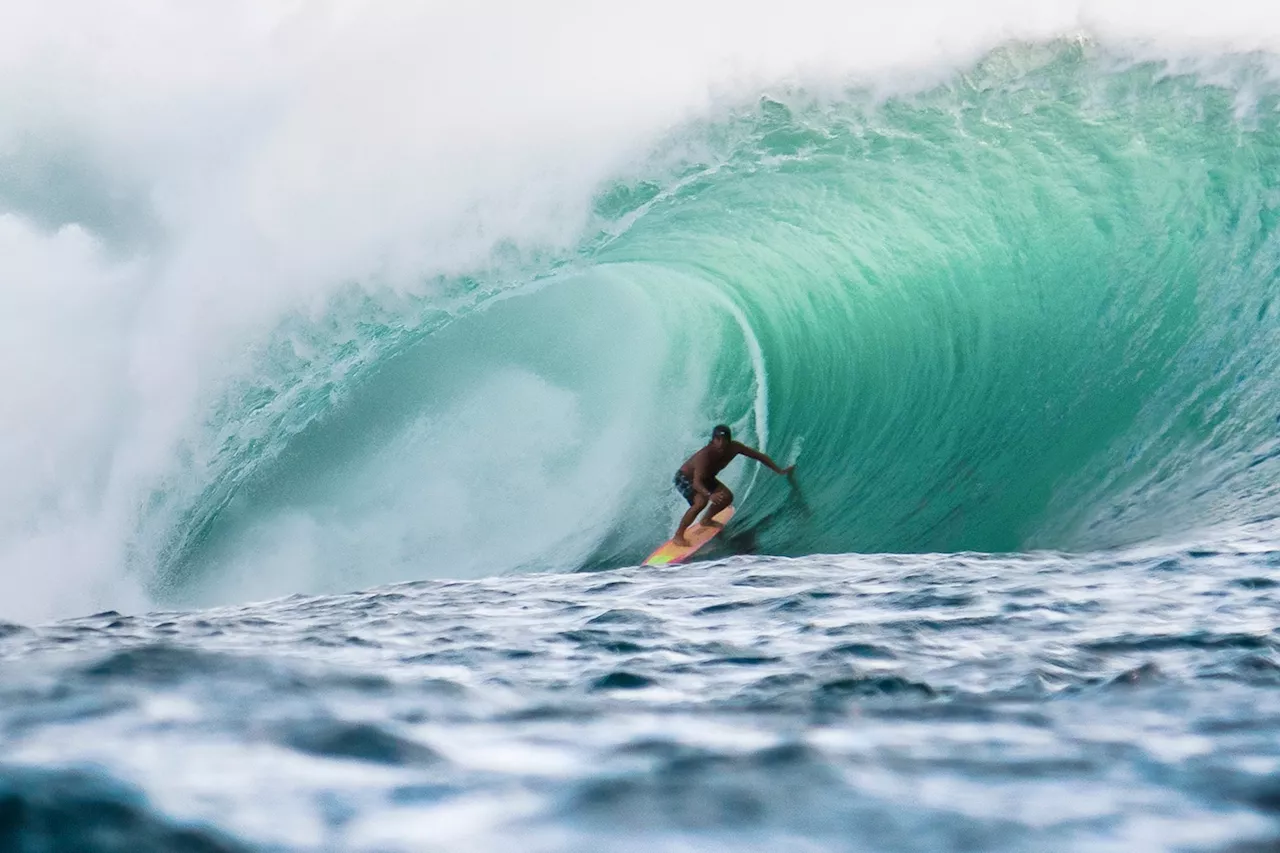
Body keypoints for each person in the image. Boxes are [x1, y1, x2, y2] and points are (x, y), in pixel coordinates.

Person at [671, 424, 794, 546]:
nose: (721, 443)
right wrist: (710, 495)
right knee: (701, 502)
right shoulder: (705, 456)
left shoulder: (734, 448)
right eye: (717, 439)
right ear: (712, 440)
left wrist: (779, 470)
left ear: (729, 440)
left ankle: (706, 520)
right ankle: (678, 535)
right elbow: (697, 483)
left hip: (706, 478)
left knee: (727, 497)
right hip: (685, 478)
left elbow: (759, 456)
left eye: (724, 440)